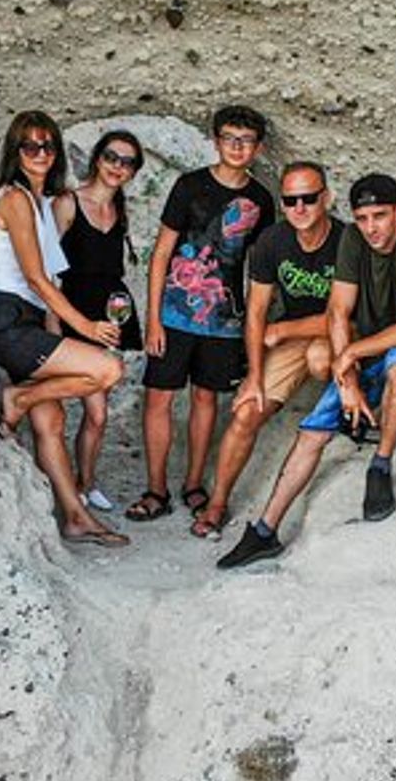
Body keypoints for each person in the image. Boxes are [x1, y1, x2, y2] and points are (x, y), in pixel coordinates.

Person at [217, 173, 396, 568]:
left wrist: (349, 355)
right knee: (312, 430)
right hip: (374, 349)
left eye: (380, 216)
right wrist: (347, 380)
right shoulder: (353, 239)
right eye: (363, 218)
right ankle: (264, 530)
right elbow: (337, 311)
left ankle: (380, 466)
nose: (371, 228)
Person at [0, 111, 129, 548]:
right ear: (15, 152)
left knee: (51, 420)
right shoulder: (15, 198)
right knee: (107, 370)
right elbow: (37, 279)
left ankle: (75, 517)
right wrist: (86, 327)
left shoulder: (36, 203)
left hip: (23, 318)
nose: (40, 153)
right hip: (9, 320)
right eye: (30, 146)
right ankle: (16, 398)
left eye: (48, 146)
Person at [124, 105, 277, 522]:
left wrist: (253, 323)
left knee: (206, 398)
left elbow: (259, 269)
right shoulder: (190, 186)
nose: (237, 147)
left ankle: (193, 484)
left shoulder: (261, 200)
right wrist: (153, 319)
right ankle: (156, 490)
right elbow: (161, 254)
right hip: (173, 315)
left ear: (258, 148)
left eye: (246, 141)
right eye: (229, 138)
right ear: (215, 141)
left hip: (224, 321)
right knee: (159, 397)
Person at [190, 161, 343, 539]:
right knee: (246, 412)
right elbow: (256, 312)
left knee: (319, 358)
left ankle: (346, 415)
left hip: (339, 335)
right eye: (290, 200)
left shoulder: (347, 241)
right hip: (293, 338)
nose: (299, 208)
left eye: (309, 198)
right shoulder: (273, 241)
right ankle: (217, 504)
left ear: (326, 198)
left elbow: (343, 317)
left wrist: (282, 330)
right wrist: (255, 377)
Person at [51, 130, 146, 514]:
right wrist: (52, 324)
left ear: (134, 172)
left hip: (107, 318)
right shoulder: (67, 203)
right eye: (111, 157)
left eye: (128, 162)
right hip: (69, 311)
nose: (118, 166)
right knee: (57, 408)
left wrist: (119, 316)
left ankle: (86, 484)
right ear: (96, 159)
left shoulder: (120, 211)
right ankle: (59, 486)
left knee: (98, 412)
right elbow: (45, 271)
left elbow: (111, 273)